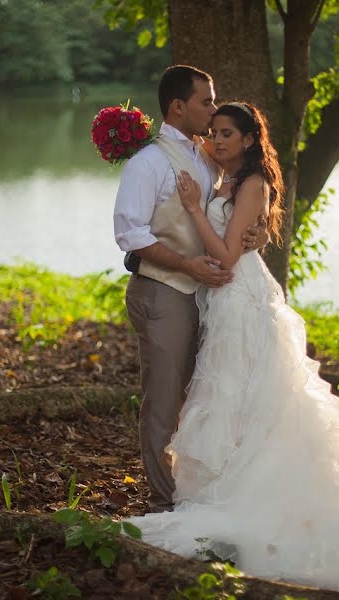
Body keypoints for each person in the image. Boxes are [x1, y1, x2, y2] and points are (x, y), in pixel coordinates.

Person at [125, 101, 339, 595]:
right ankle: (222, 480)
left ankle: (257, 491)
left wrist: (196, 208)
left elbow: (227, 256)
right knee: (230, 394)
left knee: (251, 393)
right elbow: (185, 155)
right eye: (212, 132)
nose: (216, 141)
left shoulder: (252, 182)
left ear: (248, 140)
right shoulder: (223, 175)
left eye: (226, 134)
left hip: (239, 299)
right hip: (222, 302)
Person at [113, 66, 269, 514]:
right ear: (178, 107)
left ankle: (202, 488)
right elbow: (130, 234)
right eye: (206, 101)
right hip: (164, 292)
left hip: (212, 299)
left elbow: (242, 200)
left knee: (206, 397)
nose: (214, 110)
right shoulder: (149, 162)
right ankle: (165, 503)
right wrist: (187, 266)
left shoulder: (208, 155)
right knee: (163, 401)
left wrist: (253, 235)